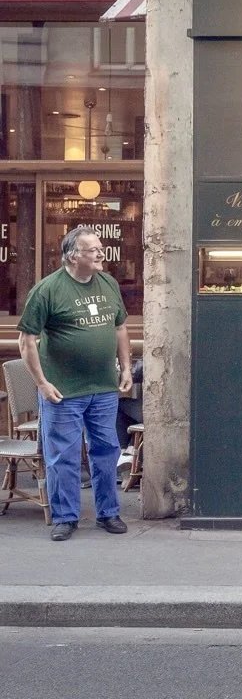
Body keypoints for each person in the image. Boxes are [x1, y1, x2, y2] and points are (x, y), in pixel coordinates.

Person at [17, 226, 133, 541]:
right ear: (72, 256)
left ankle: (108, 513)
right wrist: (41, 383)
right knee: (63, 456)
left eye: (100, 248)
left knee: (107, 451)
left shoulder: (108, 283)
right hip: (63, 391)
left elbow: (120, 327)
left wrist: (125, 368)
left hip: (103, 388)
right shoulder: (48, 290)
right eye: (92, 250)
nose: (100, 254)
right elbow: (27, 341)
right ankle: (65, 518)